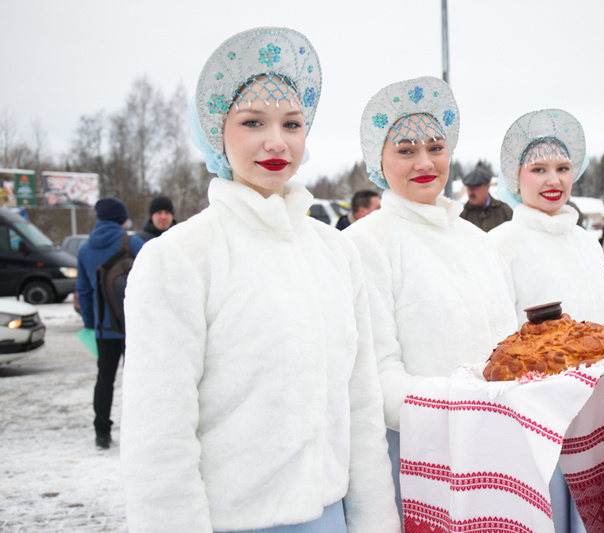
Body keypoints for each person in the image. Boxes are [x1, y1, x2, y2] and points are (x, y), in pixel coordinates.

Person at [120, 27, 399, 533]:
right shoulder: (180, 259)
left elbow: (360, 408)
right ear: (215, 133)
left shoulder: (336, 252)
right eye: (253, 122)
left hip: (332, 516)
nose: (277, 141)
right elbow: (159, 436)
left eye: (292, 123)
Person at [344, 76, 517, 522]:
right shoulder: (366, 243)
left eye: (436, 147)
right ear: (377, 161)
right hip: (417, 460)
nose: (424, 161)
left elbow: (507, 347)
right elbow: (374, 379)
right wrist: (464, 405)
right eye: (405, 150)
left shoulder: (475, 240)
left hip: (495, 448)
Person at [489, 109, 604, 533]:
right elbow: (497, 342)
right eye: (538, 169)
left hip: (594, 414)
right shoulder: (501, 244)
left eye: (562, 168)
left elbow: (603, 325)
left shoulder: (586, 242)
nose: (553, 180)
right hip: (535, 422)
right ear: (514, 177)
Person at [75, 197, 144, 450]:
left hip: (104, 329)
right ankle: (136, 431)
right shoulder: (133, 243)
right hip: (134, 327)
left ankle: (101, 432)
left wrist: (91, 323)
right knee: (136, 380)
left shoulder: (84, 250)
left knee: (104, 378)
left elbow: (83, 290)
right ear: (122, 219)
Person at [459, 165, 512, 231]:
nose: (470, 192)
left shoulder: (504, 211)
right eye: (468, 188)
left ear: (487, 186)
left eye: (474, 187)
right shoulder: (462, 215)